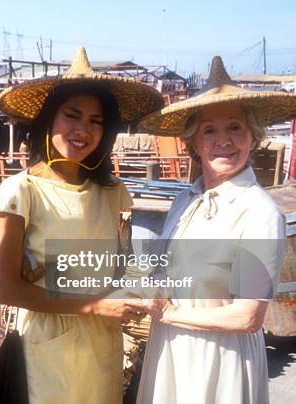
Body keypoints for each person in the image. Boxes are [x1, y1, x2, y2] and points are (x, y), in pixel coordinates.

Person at [0, 47, 164, 404]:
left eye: (96, 121)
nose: (83, 130)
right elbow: (7, 289)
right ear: (48, 120)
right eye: (72, 116)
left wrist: (132, 295)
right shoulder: (21, 191)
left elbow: (118, 266)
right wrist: (95, 304)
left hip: (103, 339)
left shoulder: (113, 192)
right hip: (48, 343)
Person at [135, 56, 296, 404]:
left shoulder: (259, 214)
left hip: (221, 361)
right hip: (170, 351)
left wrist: (168, 313)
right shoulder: (183, 201)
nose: (223, 140)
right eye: (209, 130)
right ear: (194, 143)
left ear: (254, 138)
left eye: (235, 127)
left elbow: (248, 316)